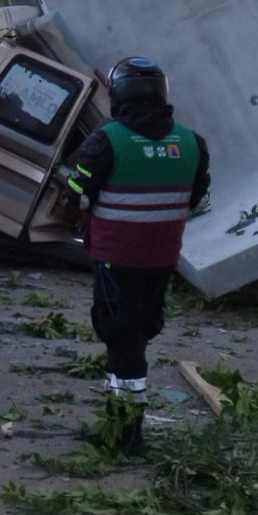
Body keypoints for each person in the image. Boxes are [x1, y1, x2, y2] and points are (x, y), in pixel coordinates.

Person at [62, 56, 210, 452]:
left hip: (116, 259)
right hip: (162, 259)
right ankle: (123, 422)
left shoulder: (106, 140)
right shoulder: (192, 143)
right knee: (138, 335)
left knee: (121, 341)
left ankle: (125, 433)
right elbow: (195, 197)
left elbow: (74, 197)